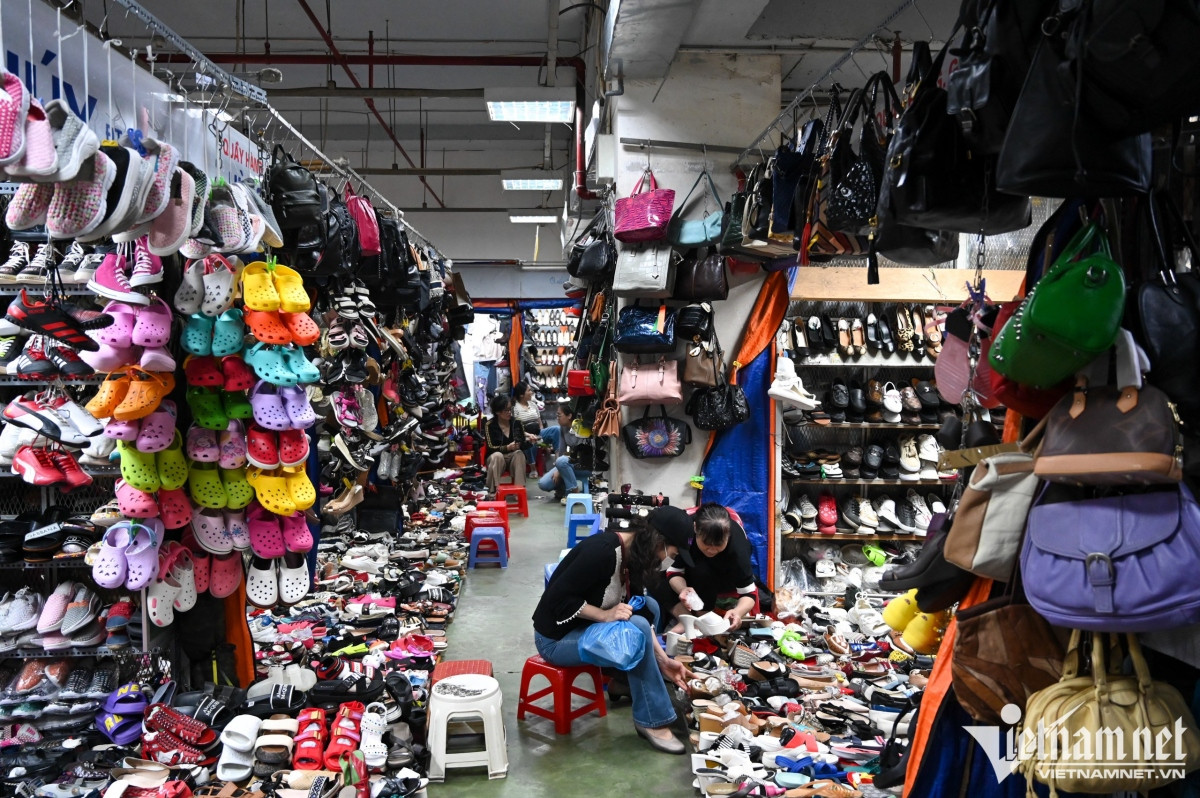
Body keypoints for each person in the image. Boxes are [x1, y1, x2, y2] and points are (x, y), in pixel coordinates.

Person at [532, 517, 695, 754]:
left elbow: (640, 611)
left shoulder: (634, 558)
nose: (666, 560)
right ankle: (652, 722)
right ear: (657, 542)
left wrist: (663, 661)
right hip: (556, 639)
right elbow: (556, 599)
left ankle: (622, 682)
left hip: (585, 631)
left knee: (648, 607)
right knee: (635, 628)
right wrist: (604, 614)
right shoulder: (602, 552)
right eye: (670, 553)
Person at [650, 504, 758, 633]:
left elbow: (749, 593)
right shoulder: (686, 535)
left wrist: (737, 612)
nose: (712, 550)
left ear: (728, 535)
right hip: (690, 575)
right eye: (706, 543)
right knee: (653, 576)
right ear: (695, 528)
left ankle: (703, 621)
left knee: (703, 571)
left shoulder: (738, 549)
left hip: (723, 577)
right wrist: (682, 589)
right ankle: (687, 620)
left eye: (718, 545)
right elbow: (673, 571)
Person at [484, 394, 538, 496]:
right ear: (497, 412)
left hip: (513, 458)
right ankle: (493, 492)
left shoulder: (517, 423)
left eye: (510, 409)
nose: (509, 413)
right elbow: (490, 447)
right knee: (497, 456)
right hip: (496, 458)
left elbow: (522, 445)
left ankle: (519, 491)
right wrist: (507, 447)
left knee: (519, 454)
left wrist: (530, 443)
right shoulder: (489, 425)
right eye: (506, 410)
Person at [538, 402, 585, 502]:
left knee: (562, 462)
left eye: (559, 415)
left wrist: (560, 468)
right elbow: (562, 451)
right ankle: (562, 488)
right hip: (568, 463)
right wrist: (558, 468)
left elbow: (580, 453)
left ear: (569, 416)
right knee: (543, 484)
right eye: (556, 415)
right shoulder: (562, 429)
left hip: (583, 463)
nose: (557, 418)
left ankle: (573, 492)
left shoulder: (580, 427)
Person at [510, 381, 542, 468]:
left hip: (537, 433)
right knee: (530, 440)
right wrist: (529, 435)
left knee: (556, 430)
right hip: (525, 435)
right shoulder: (515, 408)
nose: (531, 392)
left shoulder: (533, 405)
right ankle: (533, 468)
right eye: (529, 391)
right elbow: (516, 428)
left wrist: (541, 433)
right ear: (521, 395)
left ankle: (558, 460)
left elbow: (540, 422)